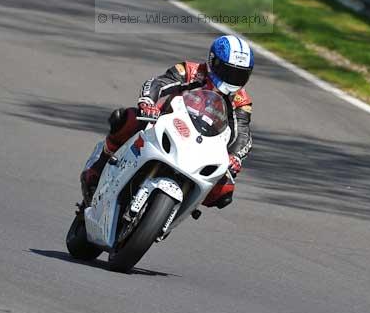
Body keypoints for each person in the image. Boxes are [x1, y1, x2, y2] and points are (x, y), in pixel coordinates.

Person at [80, 35, 254, 210]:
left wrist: (235, 156)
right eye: (229, 71)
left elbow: (243, 133)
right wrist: (148, 102)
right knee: (125, 119)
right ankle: (98, 168)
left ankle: (173, 211)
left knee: (224, 190)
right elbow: (159, 83)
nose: (233, 79)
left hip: (203, 146)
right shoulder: (191, 70)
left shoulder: (241, 100)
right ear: (213, 61)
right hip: (165, 125)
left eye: (240, 75)